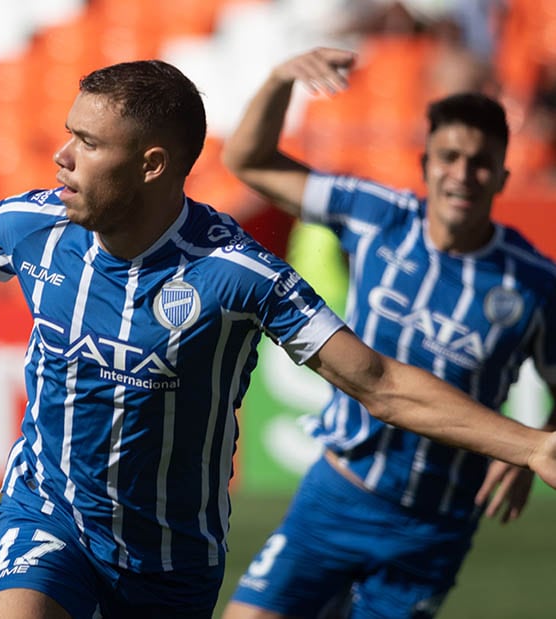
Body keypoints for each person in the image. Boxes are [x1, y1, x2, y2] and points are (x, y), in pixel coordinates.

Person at [0, 61, 556, 619]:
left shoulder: (239, 274)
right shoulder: (39, 226)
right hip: (50, 518)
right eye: (67, 133)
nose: (61, 155)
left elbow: (379, 382)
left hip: (172, 561)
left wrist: (530, 443)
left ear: (151, 163)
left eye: (86, 141)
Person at [220, 47, 556, 618]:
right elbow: (249, 161)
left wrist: (534, 446)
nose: (463, 174)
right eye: (449, 156)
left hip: (434, 526)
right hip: (337, 495)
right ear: (426, 162)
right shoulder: (377, 214)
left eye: (480, 162)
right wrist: (280, 79)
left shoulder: (533, 283)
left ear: (502, 173)